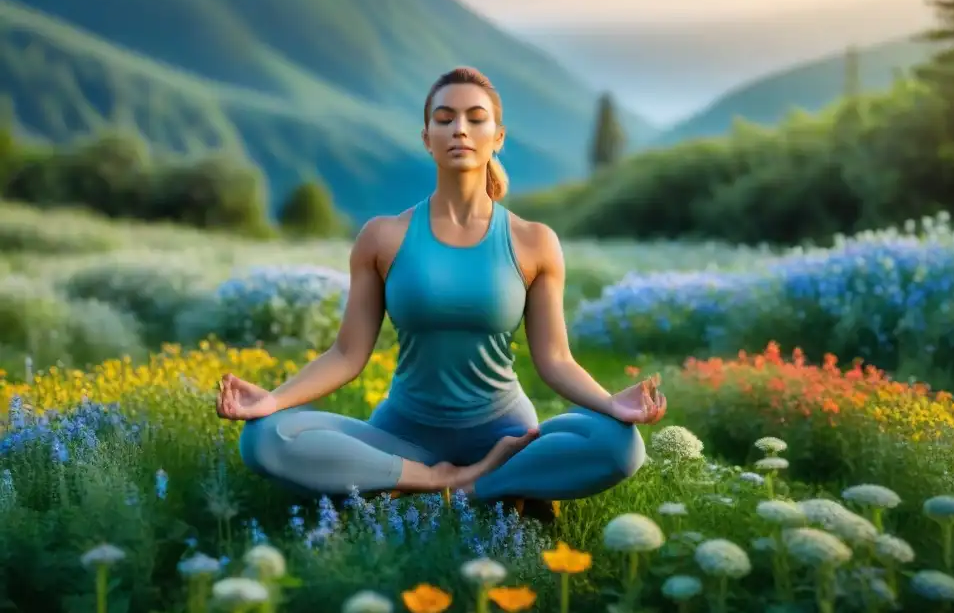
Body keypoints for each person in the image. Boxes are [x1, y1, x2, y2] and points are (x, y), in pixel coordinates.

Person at [215, 66, 667, 508]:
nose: (460, 130)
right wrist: (273, 399)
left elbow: (555, 361)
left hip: (505, 435)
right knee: (264, 437)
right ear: (426, 137)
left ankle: (475, 487)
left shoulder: (533, 241)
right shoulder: (382, 237)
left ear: (498, 137)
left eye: (475, 118)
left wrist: (612, 405)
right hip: (401, 435)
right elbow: (347, 355)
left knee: (618, 445)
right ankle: (440, 480)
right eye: (445, 119)